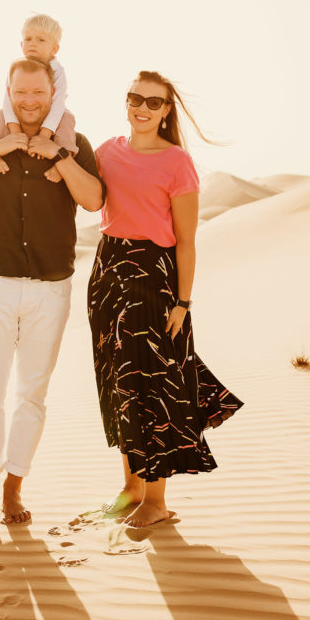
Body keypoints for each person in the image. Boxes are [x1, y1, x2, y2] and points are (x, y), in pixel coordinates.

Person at [0, 58, 104, 525]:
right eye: (21, 92)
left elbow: (94, 199)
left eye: (39, 92)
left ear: (53, 94)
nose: (30, 101)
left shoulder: (76, 144)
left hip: (50, 290)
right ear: (9, 91)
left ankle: (14, 487)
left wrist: (59, 156)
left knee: (32, 395)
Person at [88, 70, 243, 528]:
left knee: (152, 382)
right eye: (136, 98)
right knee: (118, 382)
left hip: (153, 278)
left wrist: (183, 302)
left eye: (153, 102)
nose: (142, 108)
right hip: (107, 271)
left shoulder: (177, 162)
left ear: (166, 110)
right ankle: (131, 487)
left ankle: (156, 501)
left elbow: (187, 241)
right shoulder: (106, 151)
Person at [0, 14, 77, 180]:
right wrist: (15, 132)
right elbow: (8, 102)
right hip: (21, 116)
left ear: (54, 49)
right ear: (21, 44)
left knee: (67, 118)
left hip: (50, 114)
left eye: (41, 40)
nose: (33, 44)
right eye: (28, 39)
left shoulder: (58, 70)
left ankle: (63, 162)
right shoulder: (17, 68)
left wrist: (44, 136)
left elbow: (57, 106)